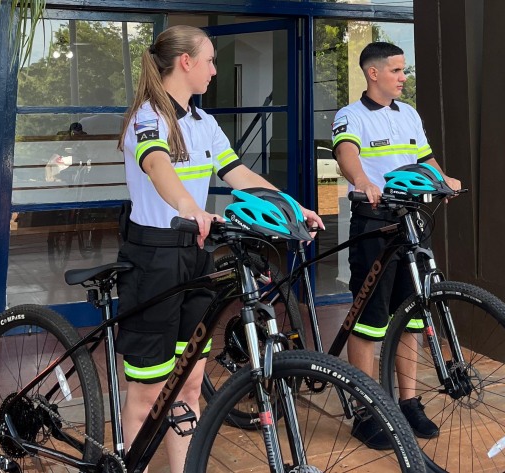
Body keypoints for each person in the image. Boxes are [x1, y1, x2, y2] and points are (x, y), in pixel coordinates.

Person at [115, 25, 324, 473]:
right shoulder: (147, 116)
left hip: (195, 254)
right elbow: (157, 166)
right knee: (149, 391)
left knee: (190, 385)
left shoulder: (202, 122)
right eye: (209, 60)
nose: (214, 69)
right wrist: (192, 207)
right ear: (185, 62)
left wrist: (292, 205)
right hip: (153, 257)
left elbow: (238, 173)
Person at [331, 42, 462, 448]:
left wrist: (444, 180)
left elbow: (425, 158)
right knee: (369, 319)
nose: (404, 77)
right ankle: (367, 409)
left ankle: (408, 403)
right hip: (375, 224)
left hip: (413, 222)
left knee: (413, 315)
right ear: (374, 73)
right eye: (398, 70)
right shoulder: (350, 115)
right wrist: (362, 180)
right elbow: (345, 152)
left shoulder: (409, 115)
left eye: (404, 71)